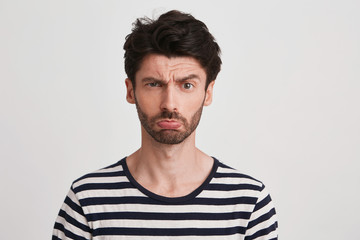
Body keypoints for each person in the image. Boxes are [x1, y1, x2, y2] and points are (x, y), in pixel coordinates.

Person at [52, 10, 278, 240]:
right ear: (131, 91)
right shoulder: (87, 200)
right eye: (154, 84)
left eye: (187, 85)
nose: (170, 104)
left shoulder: (249, 203)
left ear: (208, 93)